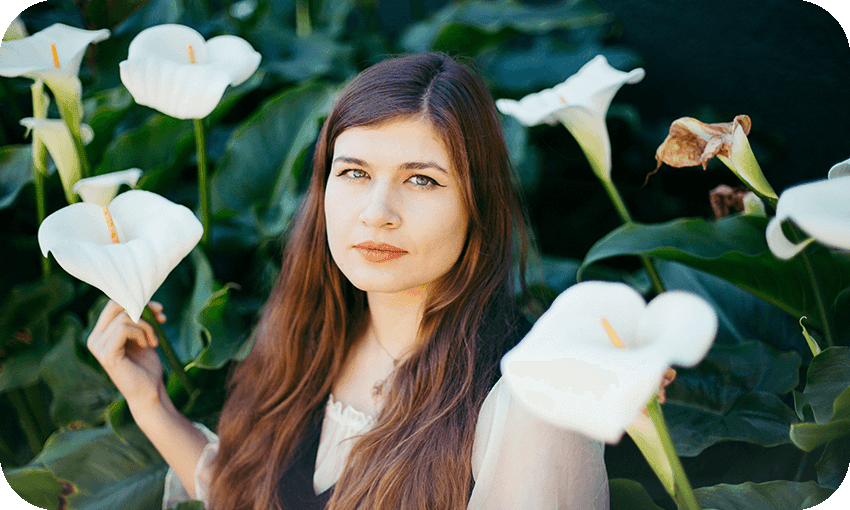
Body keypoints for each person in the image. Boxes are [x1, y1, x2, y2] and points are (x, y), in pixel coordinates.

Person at [86, 52, 610, 510]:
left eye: (421, 179)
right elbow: (248, 497)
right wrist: (150, 401)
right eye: (355, 173)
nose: (377, 212)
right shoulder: (314, 337)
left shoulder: (524, 400)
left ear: (478, 206)